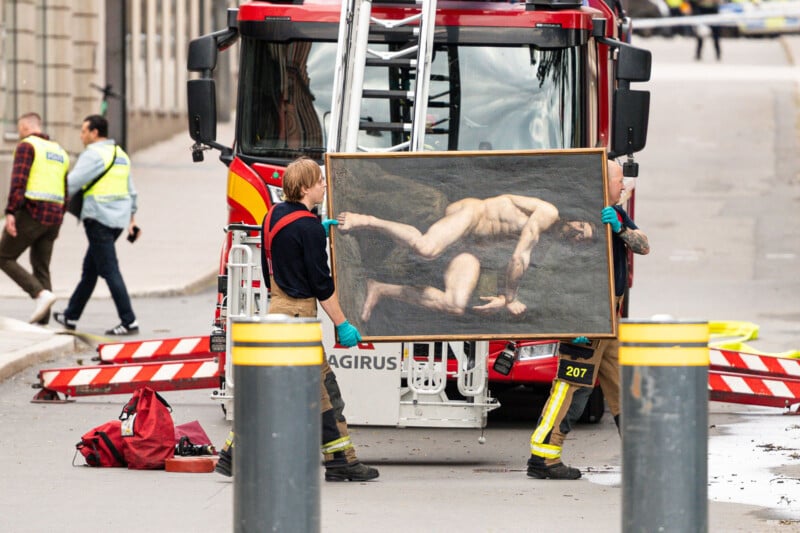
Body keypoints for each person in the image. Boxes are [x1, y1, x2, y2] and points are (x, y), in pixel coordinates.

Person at [215, 157, 379, 482]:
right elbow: (322, 285)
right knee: (323, 393)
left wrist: (313, 232)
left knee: (271, 389)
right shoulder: (307, 227)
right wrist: (342, 324)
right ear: (305, 187)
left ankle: (233, 455)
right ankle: (339, 461)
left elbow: (271, 265)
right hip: (298, 317)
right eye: (319, 180)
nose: (324, 185)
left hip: (277, 310)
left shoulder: (273, 216)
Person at [526, 159, 650, 480]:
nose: (623, 187)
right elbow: (562, 276)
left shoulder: (616, 214)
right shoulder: (576, 222)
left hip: (611, 317)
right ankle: (543, 456)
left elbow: (644, 245)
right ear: (600, 182)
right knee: (572, 384)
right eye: (618, 181)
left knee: (622, 382)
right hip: (589, 315)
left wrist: (620, 228)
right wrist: (576, 321)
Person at [335, 195, 596, 320]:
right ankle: (366, 220)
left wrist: (501, 296)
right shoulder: (548, 213)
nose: (577, 232)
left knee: (455, 304)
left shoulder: (546, 245)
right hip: (472, 217)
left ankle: (380, 288)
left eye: (581, 238)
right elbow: (518, 260)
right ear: (575, 218)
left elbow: (507, 265)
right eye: (581, 226)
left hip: (471, 249)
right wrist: (510, 298)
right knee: (427, 248)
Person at [52, 115, 140, 336]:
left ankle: (129, 320)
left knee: (109, 270)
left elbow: (72, 183)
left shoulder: (93, 155)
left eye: (83, 131)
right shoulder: (120, 155)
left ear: (94, 132)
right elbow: (131, 190)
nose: (81, 136)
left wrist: (53, 204)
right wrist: (132, 220)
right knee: (90, 270)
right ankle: (70, 315)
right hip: (117, 221)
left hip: (98, 218)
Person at [0, 112, 69, 325]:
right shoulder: (59, 152)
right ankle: (44, 317)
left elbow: (19, 181)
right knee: (41, 265)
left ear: (25, 127)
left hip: (31, 213)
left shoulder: (27, 146)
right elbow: (66, 190)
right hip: (54, 217)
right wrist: (58, 221)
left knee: (3, 256)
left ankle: (39, 294)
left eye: (20, 129)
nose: (20, 134)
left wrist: (10, 212)